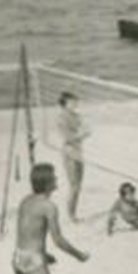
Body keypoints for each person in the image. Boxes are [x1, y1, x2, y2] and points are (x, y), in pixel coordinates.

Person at [56, 92, 89, 221]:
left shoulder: (77, 116)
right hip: (69, 153)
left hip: (78, 152)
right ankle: (71, 215)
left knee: (78, 185)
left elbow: (86, 130)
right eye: (72, 102)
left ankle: (73, 213)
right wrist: (82, 134)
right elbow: (67, 138)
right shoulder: (62, 118)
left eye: (75, 101)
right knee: (74, 185)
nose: (75, 103)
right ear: (65, 104)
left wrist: (82, 133)